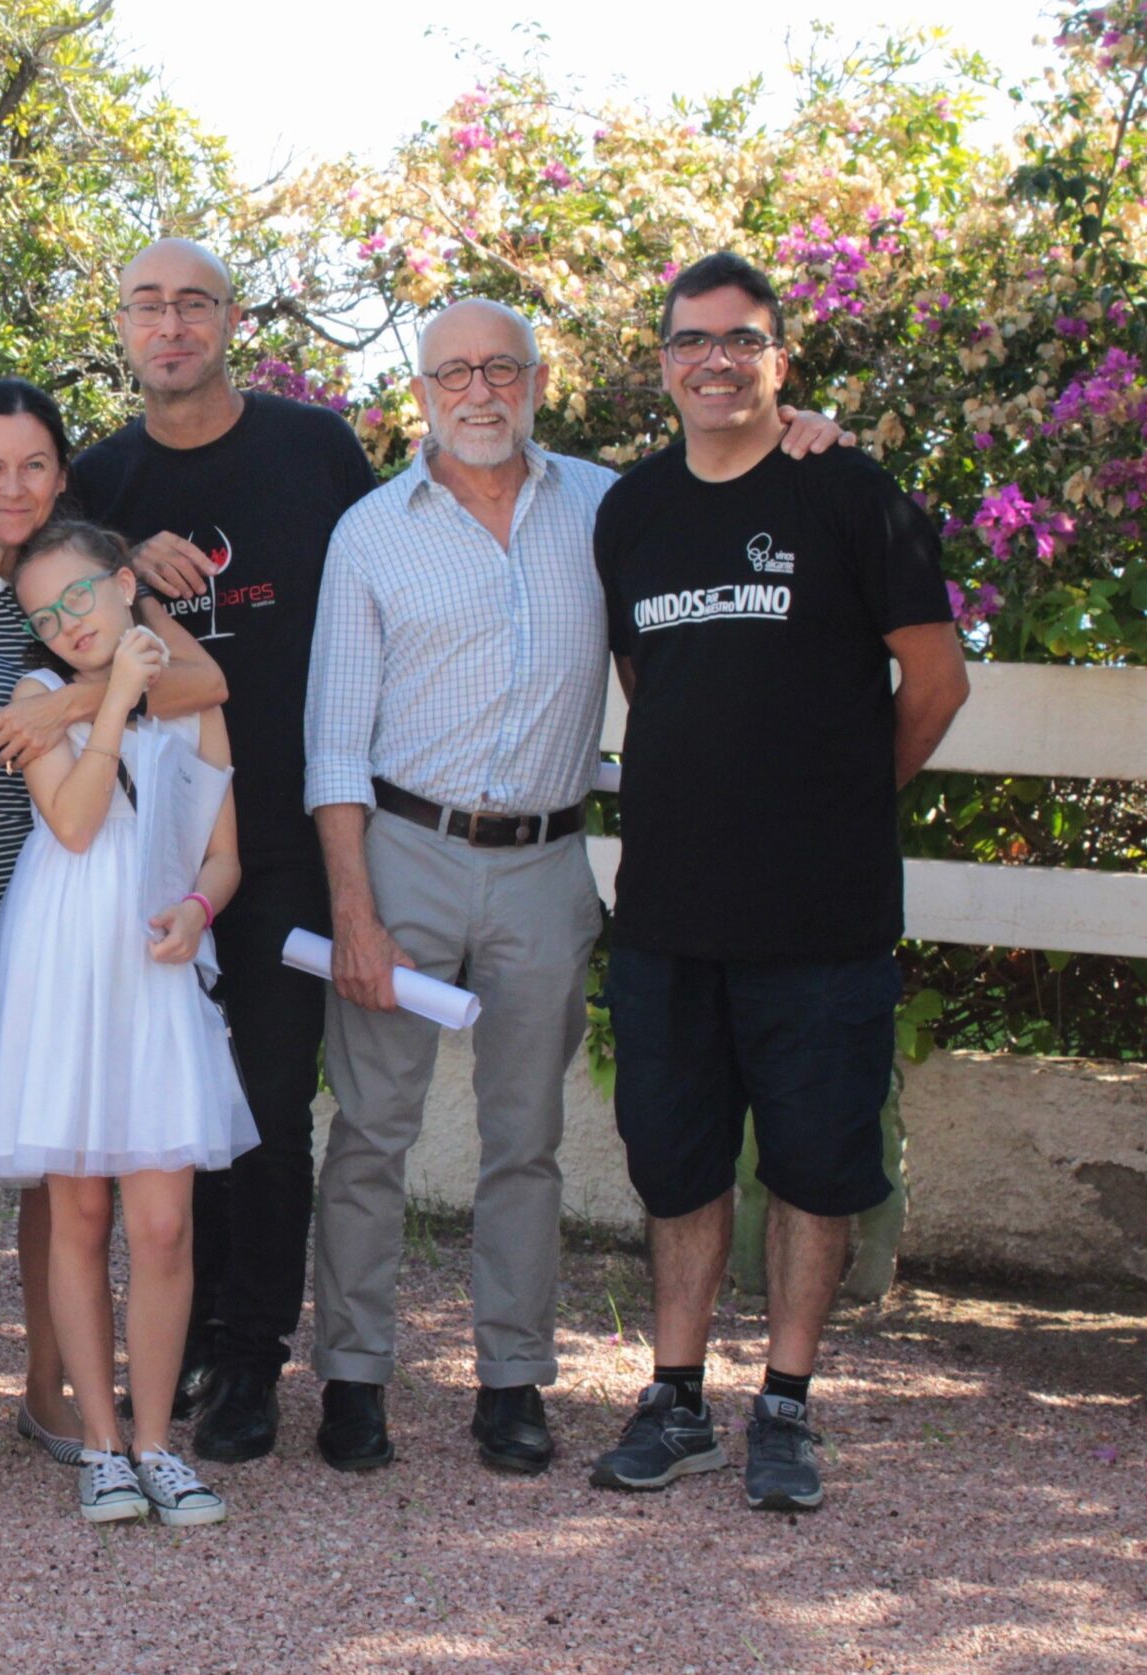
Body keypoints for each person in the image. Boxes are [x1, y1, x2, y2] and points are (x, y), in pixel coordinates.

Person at [304, 299, 860, 1475]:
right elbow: (334, 744)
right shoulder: (369, 533)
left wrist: (801, 432)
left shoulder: (611, 507)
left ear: (538, 382)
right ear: (421, 394)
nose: (479, 392)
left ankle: (511, 1383)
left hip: (546, 863)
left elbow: (710, 550)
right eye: (453, 373)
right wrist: (352, 910)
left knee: (527, 1139)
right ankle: (352, 1378)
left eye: (501, 369)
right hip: (402, 854)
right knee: (369, 1132)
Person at [587, 253, 966, 1513]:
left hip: (821, 918)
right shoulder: (631, 511)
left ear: (778, 360)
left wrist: (846, 799)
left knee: (814, 1167)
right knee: (677, 1164)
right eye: (690, 341)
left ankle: (787, 1404)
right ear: (662, 364)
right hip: (670, 915)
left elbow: (936, 681)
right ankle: (676, 1399)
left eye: (740, 339)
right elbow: (646, 681)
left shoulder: (848, 492)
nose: (715, 361)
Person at [66, 237, 378, 1463]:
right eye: (145, 305)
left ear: (231, 320)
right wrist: (120, 567)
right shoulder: (99, 479)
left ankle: (252, 1356)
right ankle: (189, 1337)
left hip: (288, 831)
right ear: (122, 327)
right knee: (167, 1104)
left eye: (192, 303)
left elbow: (390, 589)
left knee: (267, 1105)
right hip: (150, 842)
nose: (170, 325)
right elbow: (40, 607)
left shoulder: (315, 451)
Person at [0, 380, 226, 1464]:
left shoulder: (92, 574)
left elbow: (201, 680)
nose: (12, 486)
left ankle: (48, 1385)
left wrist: (71, 700)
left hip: (77, 897)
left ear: (62, 475)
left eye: (34, 464)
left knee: (61, 1158)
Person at [0, 520, 252, 1527]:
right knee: (80, 1214)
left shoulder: (193, 694)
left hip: (155, 959)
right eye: (45, 614)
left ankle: (156, 1442)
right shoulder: (33, 697)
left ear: (126, 584)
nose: (69, 623)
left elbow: (223, 849)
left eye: (81, 596)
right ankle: (101, 1442)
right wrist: (115, 699)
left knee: (164, 1220)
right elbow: (77, 821)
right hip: (68, 960)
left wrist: (201, 909)